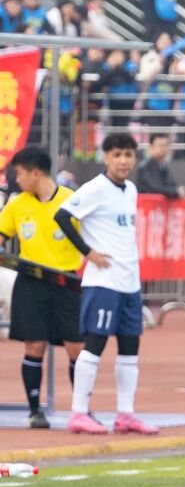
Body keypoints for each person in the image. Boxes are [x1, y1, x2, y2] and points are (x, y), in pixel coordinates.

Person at [54, 133, 158, 435]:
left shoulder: (131, 190)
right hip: (103, 282)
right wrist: (88, 253)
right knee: (95, 344)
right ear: (106, 157)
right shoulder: (95, 188)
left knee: (130, 347)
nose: (123, 161)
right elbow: (62, 216)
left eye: (128, 155)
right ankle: (78, 412)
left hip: (129, 282)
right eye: (117, 155)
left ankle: (126, 414)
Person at [0, 147, 83, 429]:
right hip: (31, 282)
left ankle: (80, 410)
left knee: (76, 347)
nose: (17, 179)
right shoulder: (17, 204)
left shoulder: (72, 200)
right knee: (34, 345)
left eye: (20, 173)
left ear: (35, 173)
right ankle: (35, 410)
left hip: (65, 283)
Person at [134, 133, 185, 198]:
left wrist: (178, 190)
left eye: (165, 145)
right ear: (151, 147)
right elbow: (155, 188)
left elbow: (171, 184)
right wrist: (176, 191)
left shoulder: (163, 166)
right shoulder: (145, 167)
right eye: (160, 145)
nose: (163, 148)